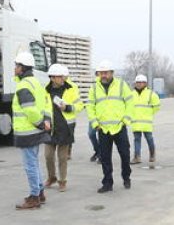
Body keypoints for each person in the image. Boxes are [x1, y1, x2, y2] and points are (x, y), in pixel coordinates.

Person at [12, 49, 53, 210]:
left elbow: (29, 110)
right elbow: (47, 104)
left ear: (23, 68)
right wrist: (46, 121)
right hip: (36, 131)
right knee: (34, 163)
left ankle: (34, 197)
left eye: (17, 65)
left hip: (28, 132)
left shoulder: (23, 86)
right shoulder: (37, 84)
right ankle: (40, 193)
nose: (15, 68)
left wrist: (40, 123)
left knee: (30, 165)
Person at [87, 59, 135, 193]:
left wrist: (126, 120)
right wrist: (95, 123)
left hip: (119, 127)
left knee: (125, 154)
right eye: (101, 73)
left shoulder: (121, 85)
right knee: (105, 157)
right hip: (103, 129)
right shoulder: (94, 88)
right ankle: (107, 182)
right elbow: (90, 107)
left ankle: (126, 177)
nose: (103, 75)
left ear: (112, 73)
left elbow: (130, 103)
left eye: (106, 73)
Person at [44, 63, 81, 192]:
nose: (63, 79)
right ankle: (52, 177)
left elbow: (80, 105)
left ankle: (62, 181)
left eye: (63, 77)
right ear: (52, 78)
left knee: (62, 158)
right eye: (60, 77)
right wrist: (44, 120)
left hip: (65, 128)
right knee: (48, 156)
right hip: (50, 128)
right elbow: (42, 107)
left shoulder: (70, 89)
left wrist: (68, 107)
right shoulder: (45, 90)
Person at [130, 74, 161, 164]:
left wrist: (149, 114)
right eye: (138, 82)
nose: (139, 84)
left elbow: (157, 106)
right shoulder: (131, 94)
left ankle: (152, 154)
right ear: (135, 83)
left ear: (145, 83)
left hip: (146, 122)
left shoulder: (151, 94)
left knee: (149, 139)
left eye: (142, 82)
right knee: (137, 139)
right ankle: (137, 157)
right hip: (135, 122)